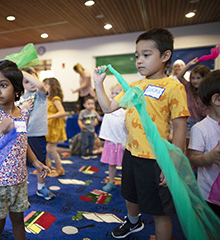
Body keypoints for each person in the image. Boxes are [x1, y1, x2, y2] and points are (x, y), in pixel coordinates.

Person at [94, 28, 189, 240]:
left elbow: (180, 126)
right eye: (137, 56)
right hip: (131, 153)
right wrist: (98, 84)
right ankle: (133, 222)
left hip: (157, 158)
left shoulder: (173, 87)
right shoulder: (134, 86)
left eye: (146, 55)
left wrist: (174, 162)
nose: (139, 60)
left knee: (160, 210)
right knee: (129, 193)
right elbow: (108, 107)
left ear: (165, 56)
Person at [0, 60, 50, 239]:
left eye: (3, 85)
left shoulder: (23, 113)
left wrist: (36, 162)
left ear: (16, 89)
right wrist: (0, 125)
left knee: (19, 221)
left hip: (19, 180)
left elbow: (23, 141)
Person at [16, 67, 55, 200]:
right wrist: (22, 108)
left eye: (33, 79)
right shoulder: (19, 98)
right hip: (21, 135)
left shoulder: (41, 94)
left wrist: (23, 73)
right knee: (22, 164)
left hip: (37, 135)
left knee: (40, 162)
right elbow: (13, 113)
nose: (31, 83)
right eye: (26, 82)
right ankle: (20, 190)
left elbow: (40, 85)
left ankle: (41, 187)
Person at [188, 70, 220, 217]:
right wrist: (210, 157)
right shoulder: (200, 128)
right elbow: (194, 158)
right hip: (209, 194)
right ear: (217, 100)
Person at [177, 58, 210, 156]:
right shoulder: (189, 88)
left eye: (198, 78)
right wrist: (189, 65)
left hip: (204, 121)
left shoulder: (208, 91)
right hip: (190, 121)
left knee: (202, 146)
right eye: (193, 78)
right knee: (188, 146)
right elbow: (179, 76)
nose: (195, 81)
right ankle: (190, 166)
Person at [99, 83, 126, 192]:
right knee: (112, 163)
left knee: (125, 164)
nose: (114, 95)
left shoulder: (125, 108)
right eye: (113, 93)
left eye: (117, 93)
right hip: (110, 140)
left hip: (121, 141)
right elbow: (102, 99)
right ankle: (111, 181)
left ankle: (126, 183)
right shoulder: (109, 104)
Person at [43, 77, 67, 176]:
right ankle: (48, 165)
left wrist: (49, 116)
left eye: (45, 85)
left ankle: (60, 169)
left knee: (51, 149)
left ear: (52, 87)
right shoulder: (47, 99)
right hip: (48, 127)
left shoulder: (55, 99)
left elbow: (62, 112)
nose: (43, 87)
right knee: (45, 147)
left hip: (54, 128)